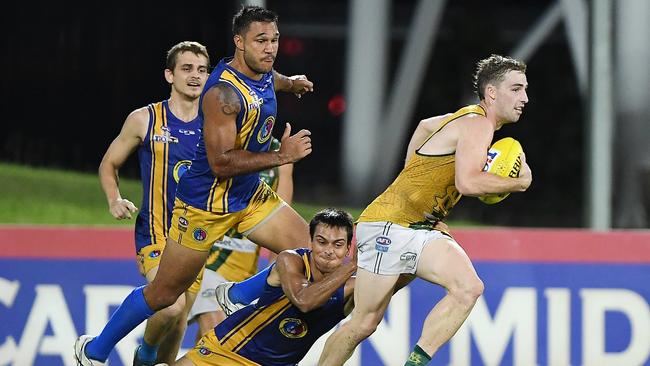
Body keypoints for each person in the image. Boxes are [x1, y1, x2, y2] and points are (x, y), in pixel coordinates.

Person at [75, 5, 315, 365]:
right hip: (204, 206)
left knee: (312, 253)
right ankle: (94, 350)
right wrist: (283, 156)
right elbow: (221, 163)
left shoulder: (263, 71)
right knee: (164, 296)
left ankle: (236, 293)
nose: (270, 48)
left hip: (248, 196)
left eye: (275, 40)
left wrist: (291, 82)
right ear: (239, 43)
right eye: (261, 41)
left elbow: (271, 79)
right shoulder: (222, 95)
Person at [318, 54, 533, 366]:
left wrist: (413, 185)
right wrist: (518, 183)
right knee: (363, 322)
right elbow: (469, 183)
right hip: (387, 227)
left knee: (468, 288)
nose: (524, 98)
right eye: (516, 89)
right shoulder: (478, 124)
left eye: (525, 89)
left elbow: (422, 127)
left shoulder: (467, 118)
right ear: (492, 93)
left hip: (418, 227)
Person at [96, 41, 210, 366]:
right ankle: (143, 352)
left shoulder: (216, 124)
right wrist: (114, 199)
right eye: (187, 69)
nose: (195, 76)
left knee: (176, 330)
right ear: (169, 75)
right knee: (170, 305)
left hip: (197, 239)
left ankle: (154, 359)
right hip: (156, 233)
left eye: (202, 70)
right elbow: (109, 164)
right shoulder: (145, 119)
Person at [169, 208, 357, 366]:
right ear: (310, 242)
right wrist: (352, 265)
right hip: (228, 351)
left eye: (338, 244)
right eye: (321, 242)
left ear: (349, 248)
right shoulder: (291, 260)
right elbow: (303, 301)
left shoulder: (352, 287)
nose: (328, 251)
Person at [186, 138, 295, 340]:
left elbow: (282, 223)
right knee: (218, 330)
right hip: (207, 260)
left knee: (211, 346)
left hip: (244, 274)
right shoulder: (216, 146)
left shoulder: (280, 154)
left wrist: (274, 278)